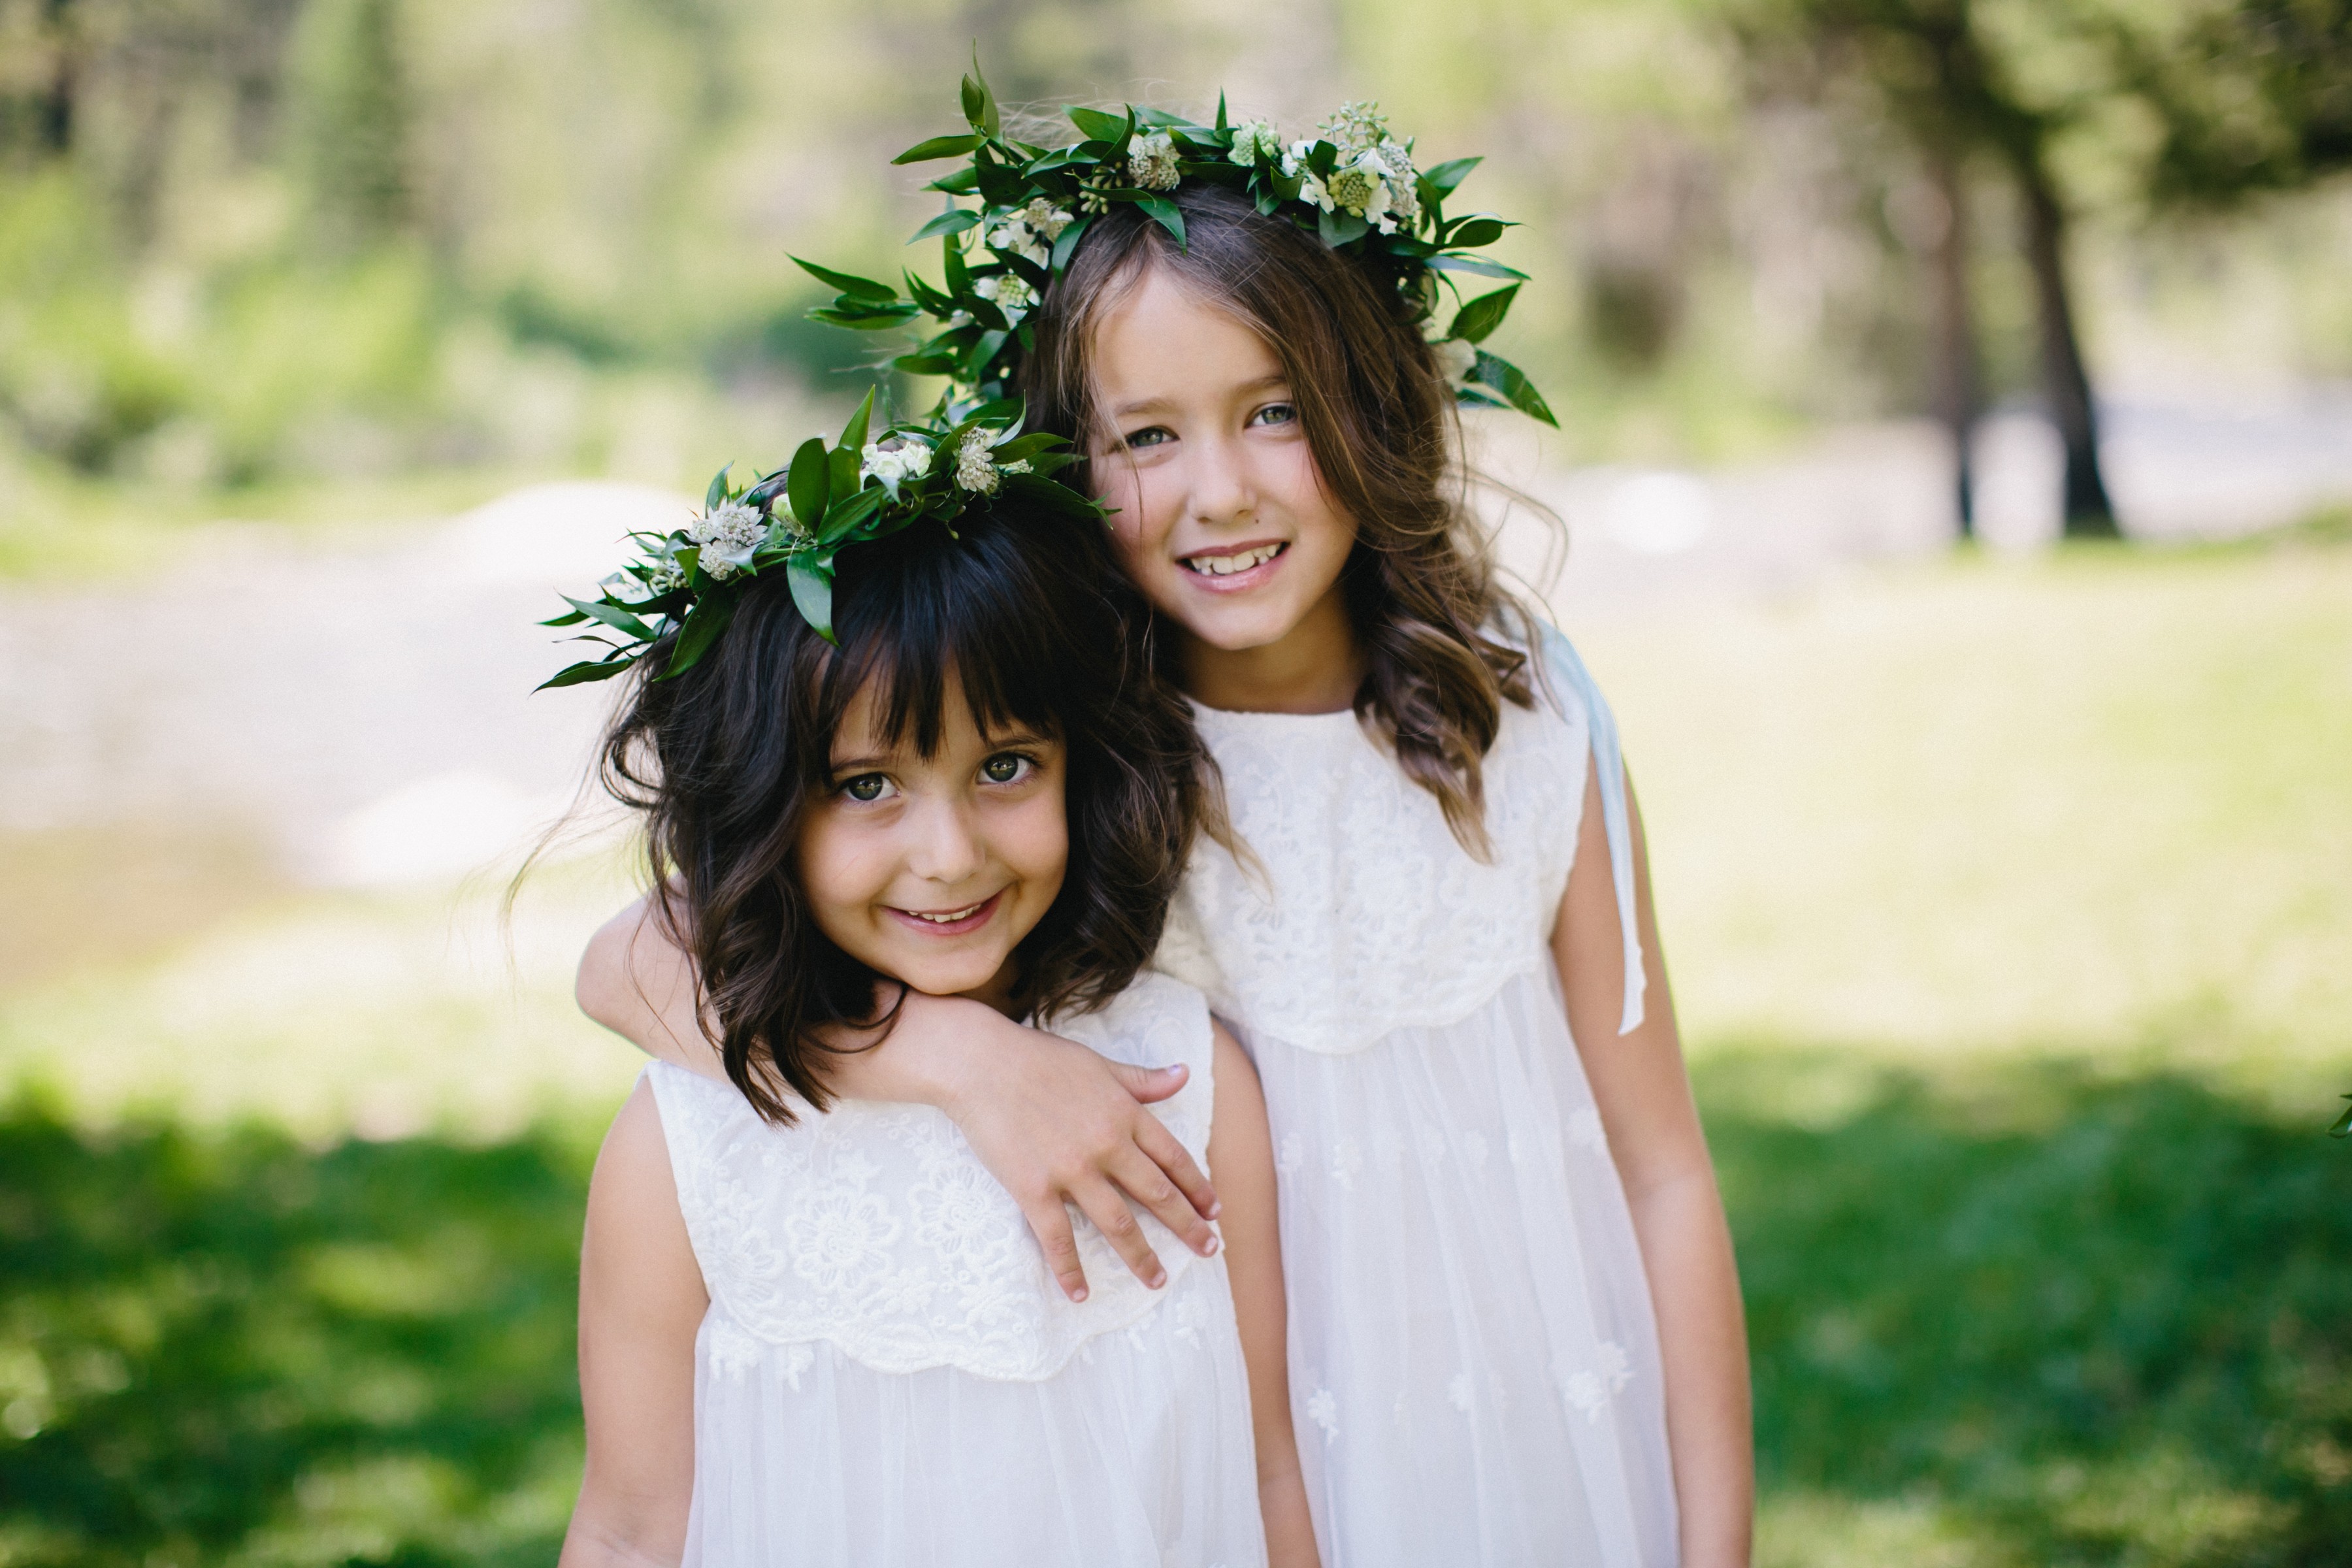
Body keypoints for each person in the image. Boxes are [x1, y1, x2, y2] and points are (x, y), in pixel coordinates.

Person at [581, 94, 1752, 1566]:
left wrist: (1714, 1538)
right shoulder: (1069, 749)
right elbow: (627, 964)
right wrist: (959, 1056)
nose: (1222, 490)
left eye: (1275, 411)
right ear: (1062, 458)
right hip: (1228, 1457)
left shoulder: (1522, 712)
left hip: (1536, 1418)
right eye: (1146, 435)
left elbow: (1664, 1167)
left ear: (1372, 407)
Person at [553, 423, 1318, 1567]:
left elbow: (1264, 1470)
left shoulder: (1192, 1089)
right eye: (867, 786)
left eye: (1005, 766)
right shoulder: (687, 1145)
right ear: (767, 810)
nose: (950, 855)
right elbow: (627, 1526)